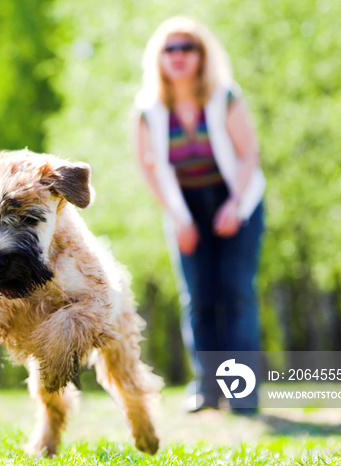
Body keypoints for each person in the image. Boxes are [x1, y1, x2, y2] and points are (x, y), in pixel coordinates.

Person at [134, 17, 265, 414]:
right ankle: (207, 388)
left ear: (201, 56)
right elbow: (149, 169)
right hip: (184, 208)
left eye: (187, 48)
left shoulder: (224, 95)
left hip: (236, 201)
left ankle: (243, 392)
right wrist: (179, 218)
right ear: (159, 58)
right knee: (199, 298)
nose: (177, 56)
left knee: (236, 294)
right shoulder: (148, 109)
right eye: (169, 49)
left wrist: (234, 206)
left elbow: (248, 156)